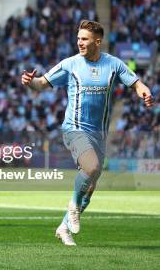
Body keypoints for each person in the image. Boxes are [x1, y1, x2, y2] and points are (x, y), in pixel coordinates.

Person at [21, 20, 153, 246]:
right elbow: (42, 83)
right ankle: (73, 206)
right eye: (78, 38)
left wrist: (145, 92)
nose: (79, 42)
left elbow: (136, 83)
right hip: (74, 128)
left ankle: (63, 228)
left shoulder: (114, 64)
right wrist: (29, 82)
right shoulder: (70, 64)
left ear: (97, 42)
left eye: (84, 39)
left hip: (98, 134)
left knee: (90, 188)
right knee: (90, 168)